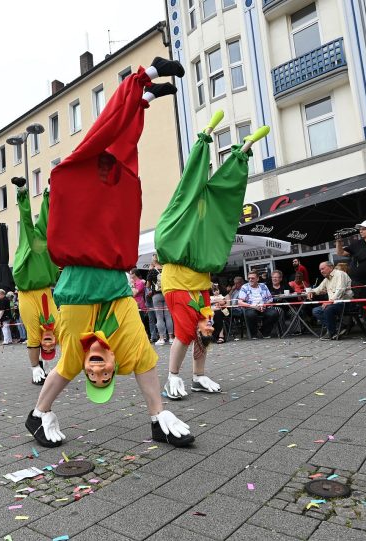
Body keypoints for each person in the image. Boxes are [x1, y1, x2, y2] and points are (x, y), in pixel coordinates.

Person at [25, 57, 195, 448]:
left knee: (135, 349)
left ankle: (157, 416)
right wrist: (143, 93)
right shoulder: (105, 174)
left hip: (107, 286)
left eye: (95, 375)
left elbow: (111, 128)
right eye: (105, 377)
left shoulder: (82, 172)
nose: (100, 371)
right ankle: (40, 412)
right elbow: (122, 137)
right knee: (76, 358)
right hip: (87, 289)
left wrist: (141, 92)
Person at [155, 108, 269, 399]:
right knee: (183, 333)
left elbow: (225, 192)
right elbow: (190, 179)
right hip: (177, 283)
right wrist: (203, 140)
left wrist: (242, 153)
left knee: (205, 330)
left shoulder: (211, 214)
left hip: (200, 284)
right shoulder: (181, 209)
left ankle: (199, 376)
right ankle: (172, 378)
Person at [10, 174, 61, 383]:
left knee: (42, 331)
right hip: (31, 293)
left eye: (46, 346)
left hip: (41, 293)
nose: (48, 344)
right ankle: (35, 369)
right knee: (38, 222)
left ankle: (41, 368)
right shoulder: (41, 242)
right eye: (51, 346)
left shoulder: (45, 241)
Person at [308, 261, 353, 340]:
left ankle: (332, 332)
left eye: (323, 269)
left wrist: (330, 301)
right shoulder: (327, 279)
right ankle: (337, 327)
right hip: (333, 304)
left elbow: (340, 290)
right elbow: (318, 289)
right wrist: (311, 291)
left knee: (328, 309)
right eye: (320, 270)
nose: (321, 271)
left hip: (345, 303)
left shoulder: (340, 274)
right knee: (315, 310)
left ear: (331, 267)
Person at [237, 271, 280, 338]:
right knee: (251, 314)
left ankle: (264, 331)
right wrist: (253, 306)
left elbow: (270, 299)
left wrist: (264, 305)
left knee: (274, 313)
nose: (250, 280)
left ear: (257, 279)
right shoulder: (244, 287)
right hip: (250, 307)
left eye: (252, 278)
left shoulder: (263, 286)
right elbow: (240, 302)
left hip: (263, 306)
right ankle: (254, 334)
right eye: (249, 278)